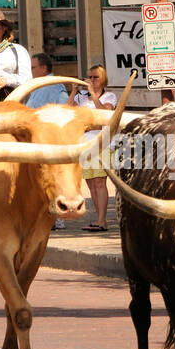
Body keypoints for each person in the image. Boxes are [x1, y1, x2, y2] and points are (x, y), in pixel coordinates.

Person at [69, 63, 117, 231]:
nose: (91, 80)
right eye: (89, 77)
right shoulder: (81, 99)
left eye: (95, 77)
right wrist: (74, 91)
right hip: (84, 144)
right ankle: (98, 219)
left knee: (99, 183)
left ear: (103, 79)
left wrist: (93, 95)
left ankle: (103, 221)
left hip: (102, 144)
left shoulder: (109, 96)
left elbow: (105, 114)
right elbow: (67, 111)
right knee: (90, 184)